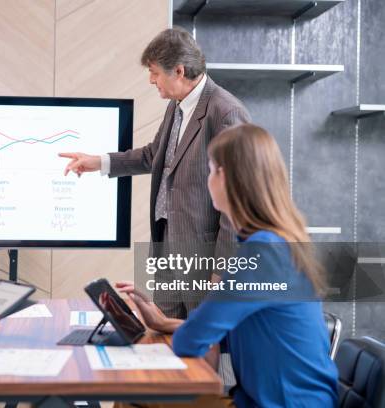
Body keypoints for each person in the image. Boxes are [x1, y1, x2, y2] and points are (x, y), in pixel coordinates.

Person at [116, 124, 339, 407]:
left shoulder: (262, 254)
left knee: (134, 396)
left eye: (209, 170)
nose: (206, 181)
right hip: (278, 400)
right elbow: (221, 329)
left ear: (225, 176)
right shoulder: (272, 243)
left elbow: (192, 340)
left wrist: (182, 328)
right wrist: (162, 323)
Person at [60, 27, 251, 319]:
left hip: (203, 260)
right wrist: (98, 161)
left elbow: (237, 203)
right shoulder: (177, 107)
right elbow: (154, 156)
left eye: (154, 73)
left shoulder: (225, 113)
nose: (151, 80)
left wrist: (221, 272)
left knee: (207, 350)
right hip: (167, 249)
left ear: (179, 70)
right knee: (166, 339)